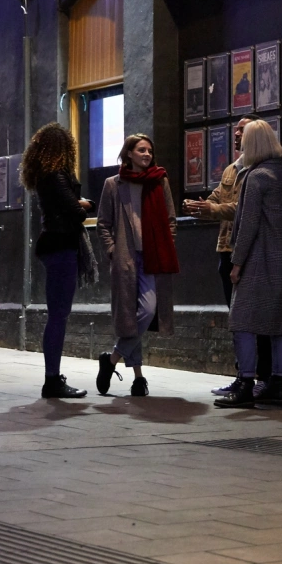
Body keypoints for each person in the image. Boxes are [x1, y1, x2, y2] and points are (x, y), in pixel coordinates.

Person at [183, 114, 273, 396]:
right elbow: (219, 198)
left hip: (249, 252)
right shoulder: (233, 169)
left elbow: (241, 209)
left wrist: (213, 209)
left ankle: (264, 377)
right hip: (226, 248)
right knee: (236, 319)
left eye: (242, 130)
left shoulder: (258, 171)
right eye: (235, 131)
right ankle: (242, 374)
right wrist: (200, 205)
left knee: (256, 318)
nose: (236, 135)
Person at [214, 119, 282, 409]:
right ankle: (277, 383)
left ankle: (245, 383)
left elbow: (246, 225)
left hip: (258, 259)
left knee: (242, 321)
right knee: (278, 323)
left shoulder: (255, 176)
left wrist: (236, 263)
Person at [96, 134, 179, 397]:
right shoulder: (113, 184)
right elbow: (103, 224)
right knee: (131, 317)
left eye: (150, 151)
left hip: (153, 258)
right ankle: (139, 378)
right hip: (126, 258)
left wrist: (166, 244)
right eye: (141, 150)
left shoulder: (159, 180)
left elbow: (170, 219)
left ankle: (111, 360)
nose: (147, 155)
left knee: (146, 311)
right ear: (129, 153)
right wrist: (113, 252)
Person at [20, 122, 95, 399]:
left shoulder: (45, 175)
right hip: (61, 245)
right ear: (64, 149)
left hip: (53, 243)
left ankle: (53, 377)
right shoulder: (56, 175)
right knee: (58, 316)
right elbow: (75, 213)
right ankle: (52, 379)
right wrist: (85, 205)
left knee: (57, 315)